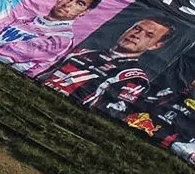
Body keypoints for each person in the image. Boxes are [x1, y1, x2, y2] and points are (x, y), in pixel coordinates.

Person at [0, 0, 107, 75]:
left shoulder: (61, 39)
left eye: (79, 3)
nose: (68, 4)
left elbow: (7, 54)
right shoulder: (27, 18)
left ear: (84, 12)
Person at [42, 17, 172, 110]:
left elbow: (113, 110)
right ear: (127, 29)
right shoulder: (82, 52)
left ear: (156, 46)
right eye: (136, 28)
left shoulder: (135, 77)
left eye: (148, 35)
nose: (136, 35)